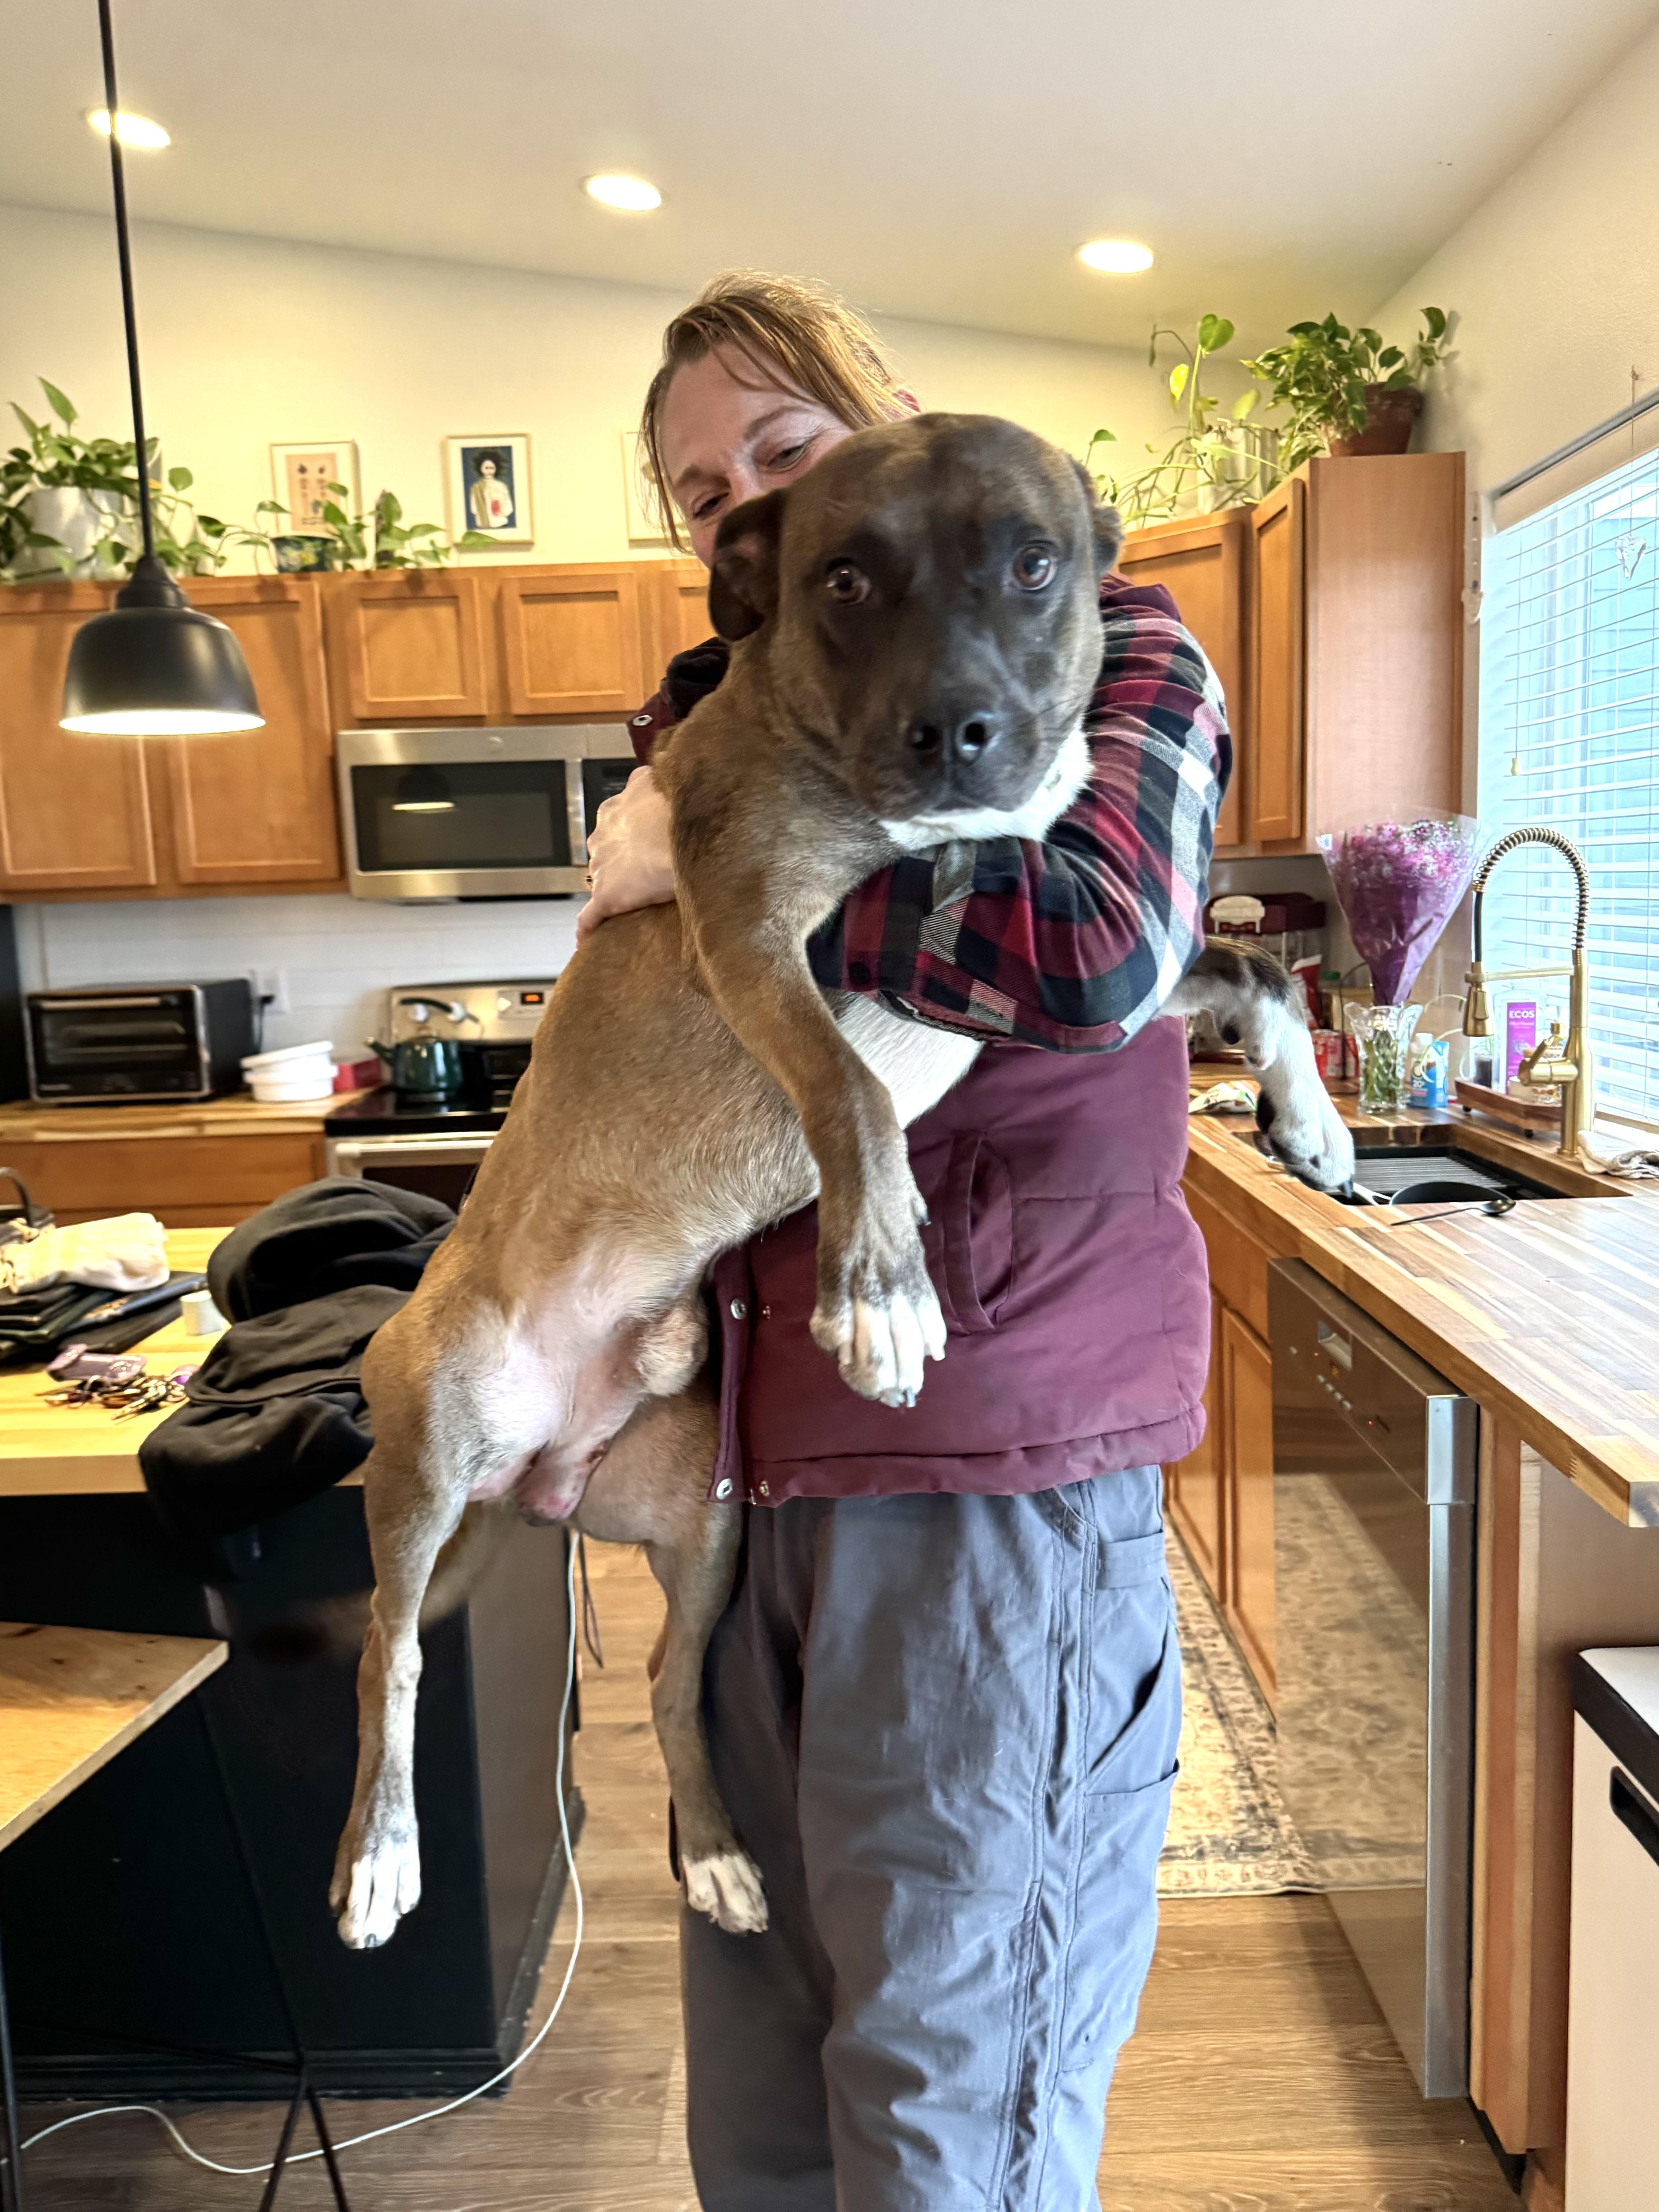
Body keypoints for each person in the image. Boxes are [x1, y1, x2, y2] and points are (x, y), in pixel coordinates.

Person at [581, 270, 1228, 2212]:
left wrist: (725, 902)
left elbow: (1095, 949)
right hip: (752, 1494)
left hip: (983, 1495)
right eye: (705, 496)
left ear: (888, 428)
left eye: (779, 446)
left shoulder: (1111, 640)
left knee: (957, 2130)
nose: (742, 499)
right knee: (767, 2120)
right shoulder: (739, 728)